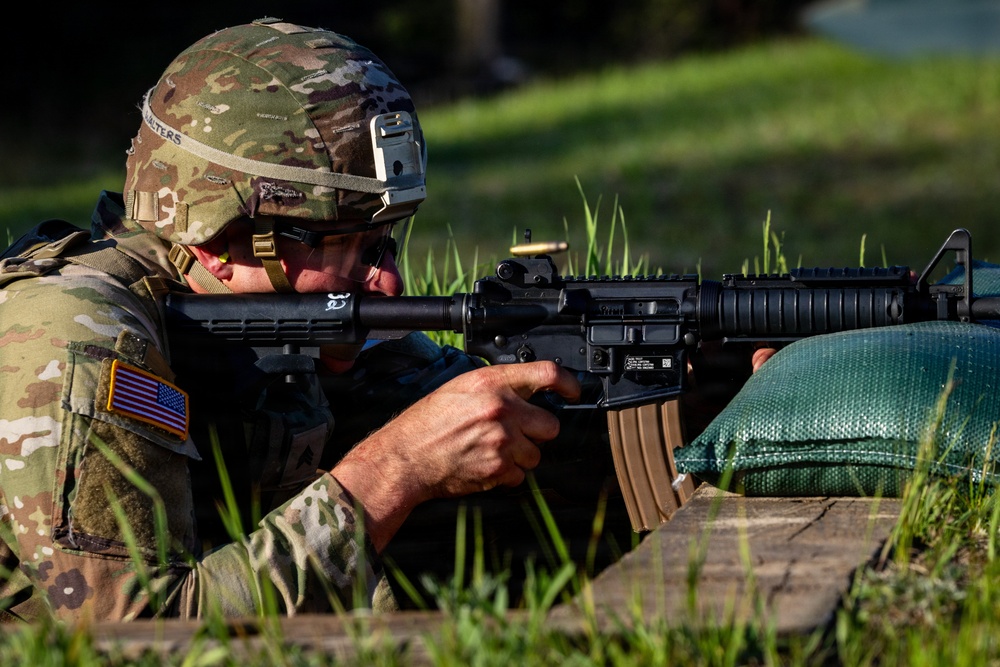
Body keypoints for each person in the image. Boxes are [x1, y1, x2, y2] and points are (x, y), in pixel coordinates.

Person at [0, 18, 583, 621]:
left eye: (387, 243)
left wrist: (652, 388)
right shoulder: (77, 338)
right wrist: (396, 468)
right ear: (220, 242)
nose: (388, 282)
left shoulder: (295, 316)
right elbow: (136, 634)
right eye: (346, 247)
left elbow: (511, 418)